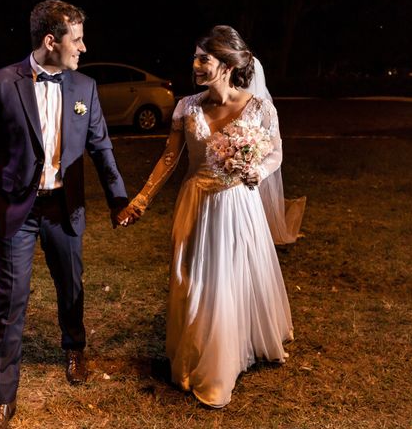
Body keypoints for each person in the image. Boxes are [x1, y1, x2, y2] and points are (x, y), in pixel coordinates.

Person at [0, 0, 129, 429]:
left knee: (71, 283)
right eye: (77, 39)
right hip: (15, 209)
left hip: (64, 207)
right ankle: (2, 399)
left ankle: (74, 348)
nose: (84, 47)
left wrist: (118, 199)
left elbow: (102, 149)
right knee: (11, 300)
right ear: (50, 41)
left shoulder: (86, 88)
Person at [123, 25, 295, 408]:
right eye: (195, 57)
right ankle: (194, 354)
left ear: (228, 64)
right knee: (195, 283)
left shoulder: (259, 107)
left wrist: (257, 171)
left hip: (238, 205)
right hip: (196, 203)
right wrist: (142, 199)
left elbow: (276, 153)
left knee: (230, 281)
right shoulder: (187, 106)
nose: (195, 64)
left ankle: (220, 366)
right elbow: (170, 158)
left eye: (204, 58)